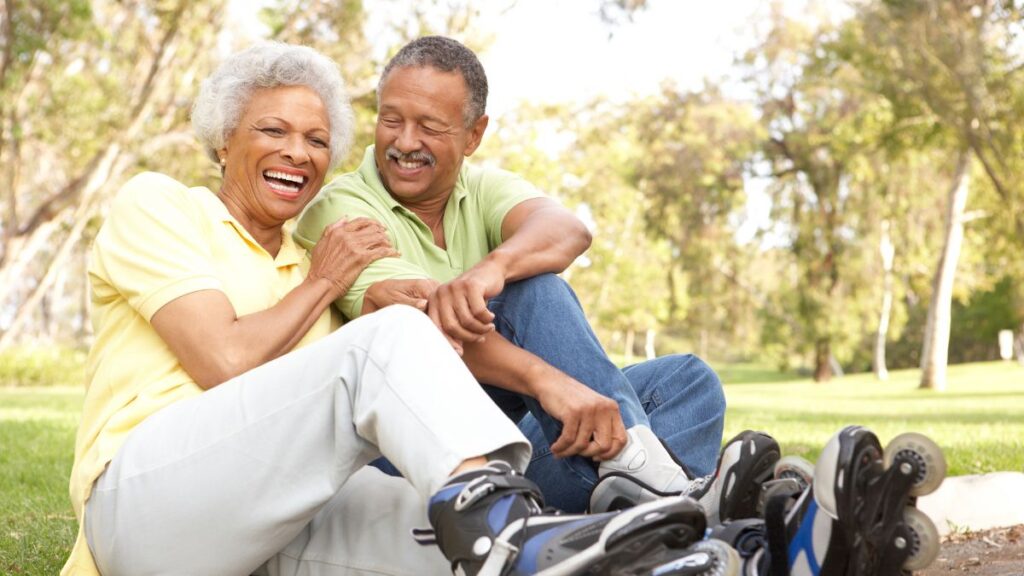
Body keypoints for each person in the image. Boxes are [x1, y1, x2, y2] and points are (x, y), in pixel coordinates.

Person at [60, 42, 739, 576]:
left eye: (318, 140)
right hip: (148, 512)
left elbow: (527, 261)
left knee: (573, 551)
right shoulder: (163, 206)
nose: (298, 152)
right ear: (222, 139)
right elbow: (223, 358)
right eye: (272, 130)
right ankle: (581, 509)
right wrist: (327, 285)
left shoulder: (312, 258)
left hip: (275, 536)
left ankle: (723, 541)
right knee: (394, 338)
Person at [295, 35, 756, 518]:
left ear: (473, 135)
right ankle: (664, 496)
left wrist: (489, 270)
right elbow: (421, 333)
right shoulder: (341, 211)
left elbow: (567, 231)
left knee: (688, 382)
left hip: (506, 449)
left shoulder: (481, 188)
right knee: (534, 294)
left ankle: (637, 507)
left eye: (429, 126)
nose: (405, 142)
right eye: (391, 120)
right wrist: (546, 381)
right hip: (410, 456)